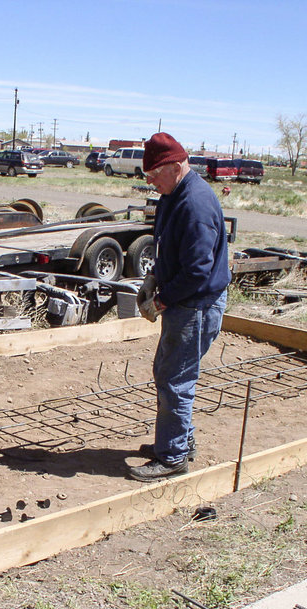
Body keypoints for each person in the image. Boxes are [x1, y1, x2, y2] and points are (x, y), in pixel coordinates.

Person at [129, 132, 231, 481]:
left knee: (175, 378)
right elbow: (169, 250)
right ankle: (177, 441)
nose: (151, 182)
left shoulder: (196, 205)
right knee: (168, 371)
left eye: (155, 174)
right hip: (183, 302)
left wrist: (160, 300)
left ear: (175, 166)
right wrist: (154, 276)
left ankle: (173, 457)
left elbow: (198, 272)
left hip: (196, 306)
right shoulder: (172, 195)